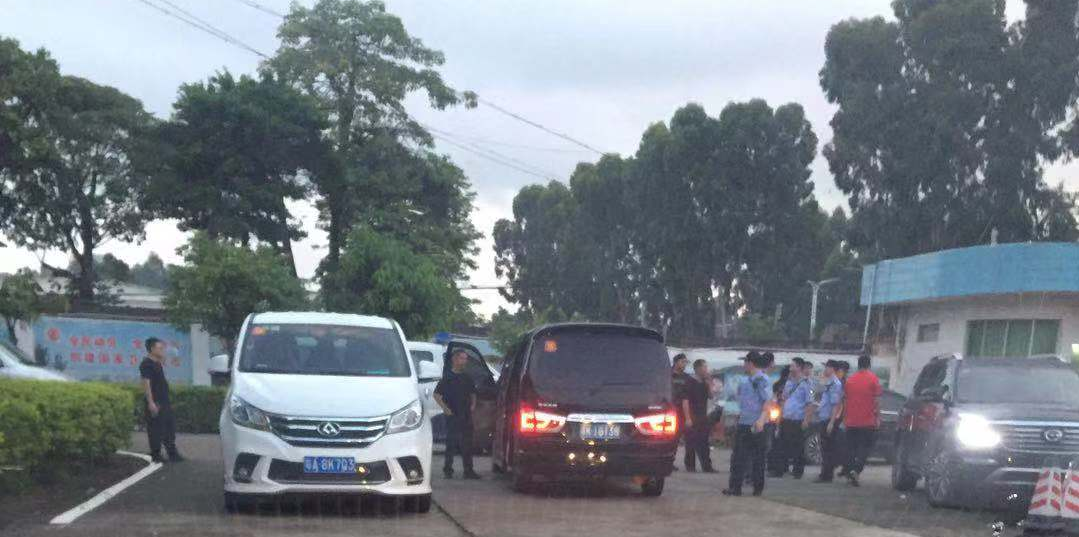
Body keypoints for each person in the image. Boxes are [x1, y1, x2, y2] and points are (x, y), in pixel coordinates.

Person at [723, 351, 772, 497]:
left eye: (745, 362)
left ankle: (757, 488)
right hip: (744, 423)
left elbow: (767, 402)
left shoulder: (762, 380)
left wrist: (761, 420)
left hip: (757, 424)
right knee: (739, 457)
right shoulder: (746, 380)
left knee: (758, 458)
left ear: (750, 363)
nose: (743, 365)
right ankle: (735, 487)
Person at [434, 350, 481, 479]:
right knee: (451, 444)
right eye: (462, 358)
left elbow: (473, 393)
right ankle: (448, 470)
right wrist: (445, 408)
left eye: (465, 359)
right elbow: (436, 395)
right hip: (452, 414)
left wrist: (473, 406)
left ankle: (468, 471)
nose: (464, 361)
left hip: (465, 415)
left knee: (467, 444)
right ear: (455, 359)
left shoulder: (467, 377)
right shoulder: (447, 377)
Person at [140, 337, 182, 463]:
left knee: (169, 427)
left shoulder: (157, 363)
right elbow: (146, 383)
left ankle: (172, 453)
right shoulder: (146, 364)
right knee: (155, 429)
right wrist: (151, 402)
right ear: (152, 349)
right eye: (160, 348)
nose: (162, 350)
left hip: (164, 401)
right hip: (155, 401)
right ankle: (156, 454)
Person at [842, 355, 882, 487]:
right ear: (869, 365)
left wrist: (845, 417)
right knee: (864, 448)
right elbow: (877, 401)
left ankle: (850, 471)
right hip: (867, 421)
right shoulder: (873, 379)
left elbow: (845, 400)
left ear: (858, 365)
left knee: (850, 449)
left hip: (851, 421)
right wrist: (878, 417)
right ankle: (856, 470)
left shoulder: (850, 380)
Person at [774, 357, 812, 479]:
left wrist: (806, 419)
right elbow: (783, 400)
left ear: (799, 367)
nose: (790, 368)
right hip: (786, 418)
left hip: (798, 419)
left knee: (798, 447)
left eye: (793, 366)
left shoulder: (807, 384)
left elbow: (810, 403)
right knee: (781, 445)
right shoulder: (789, 383)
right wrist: (780, 417)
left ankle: (798, 471)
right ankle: (780, 470)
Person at [810, 360, 844, 483]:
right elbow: (818, 397)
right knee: (824, 447)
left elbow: (835, 405)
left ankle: (827, 475)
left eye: (827, 367)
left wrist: (831, 422)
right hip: (823, 417)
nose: (825, 370)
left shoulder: (835, 384)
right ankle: (825, 473)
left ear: (832, 369)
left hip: (829, 419)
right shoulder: (826, 382)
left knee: (828, 448)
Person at [683, 359, 715, 472]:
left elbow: (711, 396)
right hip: (692, 416)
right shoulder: (689, 382)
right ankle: (690, 466)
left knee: (704, 442)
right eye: (704, 367)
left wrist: (709, 384)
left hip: (703, 416)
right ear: (698, 368)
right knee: (691, 442)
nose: (706, 370)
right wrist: (687, 418)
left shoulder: (705, 383)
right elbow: (685, 401)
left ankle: (707, 466)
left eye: (706, 367)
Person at [671, 353, 693, 469]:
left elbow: (686, 398)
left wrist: (688, 417)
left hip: (680, 412)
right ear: (676, 362)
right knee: (668, 438)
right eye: (682, 362)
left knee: (676, 438)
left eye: (685, 362)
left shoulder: (686, 378)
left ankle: (672, 460)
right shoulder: (667, 374)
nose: (684, 364)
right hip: (668, 410)